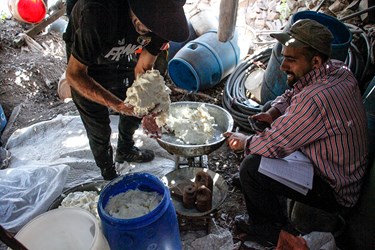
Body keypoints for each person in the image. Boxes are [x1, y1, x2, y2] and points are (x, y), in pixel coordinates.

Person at [224, 19, 369, 245]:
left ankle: (270, 230)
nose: (282, 66)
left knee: (251, 167)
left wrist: (243, 141)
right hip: (325, 161)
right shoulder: (338, 69)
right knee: (267, 110)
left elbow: (274, 143)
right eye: (283, 57)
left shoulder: (316, 99)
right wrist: (272, 112)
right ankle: (264, 188)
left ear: (315, 60)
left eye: (291, 60)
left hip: (333, 189)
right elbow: (293, 94)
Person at [63, 0, 189, 180]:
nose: (152, 31)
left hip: (123, 54)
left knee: (135, 105)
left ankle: (125, 149)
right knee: (98, 125)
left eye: (157, 26)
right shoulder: (98, 13)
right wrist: (116, 104)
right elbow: (74, 75)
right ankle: (107, 170)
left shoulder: (163, 24)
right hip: (87, 62)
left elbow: (143, 67)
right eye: (149, 22)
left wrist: (147, 105)